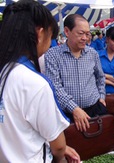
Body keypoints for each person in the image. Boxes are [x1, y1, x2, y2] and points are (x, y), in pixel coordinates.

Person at [0, 0, 80, 162]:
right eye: (50, 36)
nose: (50, 44)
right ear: (39, 33)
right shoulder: (35, 83)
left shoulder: (5, 71)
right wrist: (59, 155)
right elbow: (57, 146)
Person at [44, 14, 107, 132]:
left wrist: (102, 97)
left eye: (87, 34)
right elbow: (55, 87)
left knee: (96, 146)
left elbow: (100, 77)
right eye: (81, 33)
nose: (85, 38)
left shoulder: (92, 54)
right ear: (67, 31)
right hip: (67, 114)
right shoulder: (52, 55)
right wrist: (75, 109)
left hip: (94, 110)